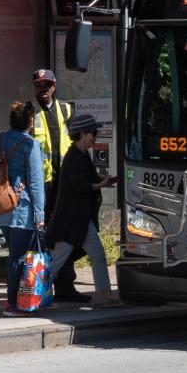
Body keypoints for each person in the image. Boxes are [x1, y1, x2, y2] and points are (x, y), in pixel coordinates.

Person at [29, 68, 89, 303]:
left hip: (64, 182)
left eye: (46, 85)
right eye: (38, 85)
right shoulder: (29, 110)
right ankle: (40, 287)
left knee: (64, 233)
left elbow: (78, 144)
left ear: (54, 86)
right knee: (42, 235)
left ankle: (65, 286)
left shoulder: (66, 110)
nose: (41, 89)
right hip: (41, 183)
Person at [47, 113, 120, 305]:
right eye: (93, 132)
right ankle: (34, 292)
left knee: (96, 254)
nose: (95, 136)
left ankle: (105, 294)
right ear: (82, 134)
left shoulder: (80, 154)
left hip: (79, 219)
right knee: (57, 261)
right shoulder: (73, 158)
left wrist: (106, 181)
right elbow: (80, 186)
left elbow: (89, 179)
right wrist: (101, 184)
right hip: (71, 221)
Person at [0, 102, 45, 317]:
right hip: (22, 208)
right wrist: (40, 216)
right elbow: (36, 184)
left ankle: (25, 298)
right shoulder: (30, 145)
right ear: (30, 121)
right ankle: (12, 303)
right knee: (18, 257)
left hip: (0, 206)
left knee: (15, 254)